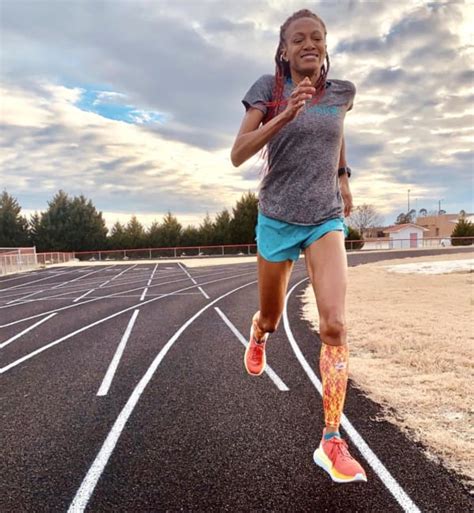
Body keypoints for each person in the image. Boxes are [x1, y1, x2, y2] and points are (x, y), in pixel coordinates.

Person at [230, 9, 367, 483]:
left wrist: (343, 177)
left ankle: (331, 439)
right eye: (298, 39)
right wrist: (285, 114)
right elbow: (238, 153)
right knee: (271, 314)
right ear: (284, 50)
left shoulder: (341, 93)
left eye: (317, 38)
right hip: (277, 216)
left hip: (324, 217)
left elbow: (336, 132)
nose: (309, 44)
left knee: (335, 323)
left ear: (325, 46)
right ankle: (260, 331)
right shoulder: (267, 90)